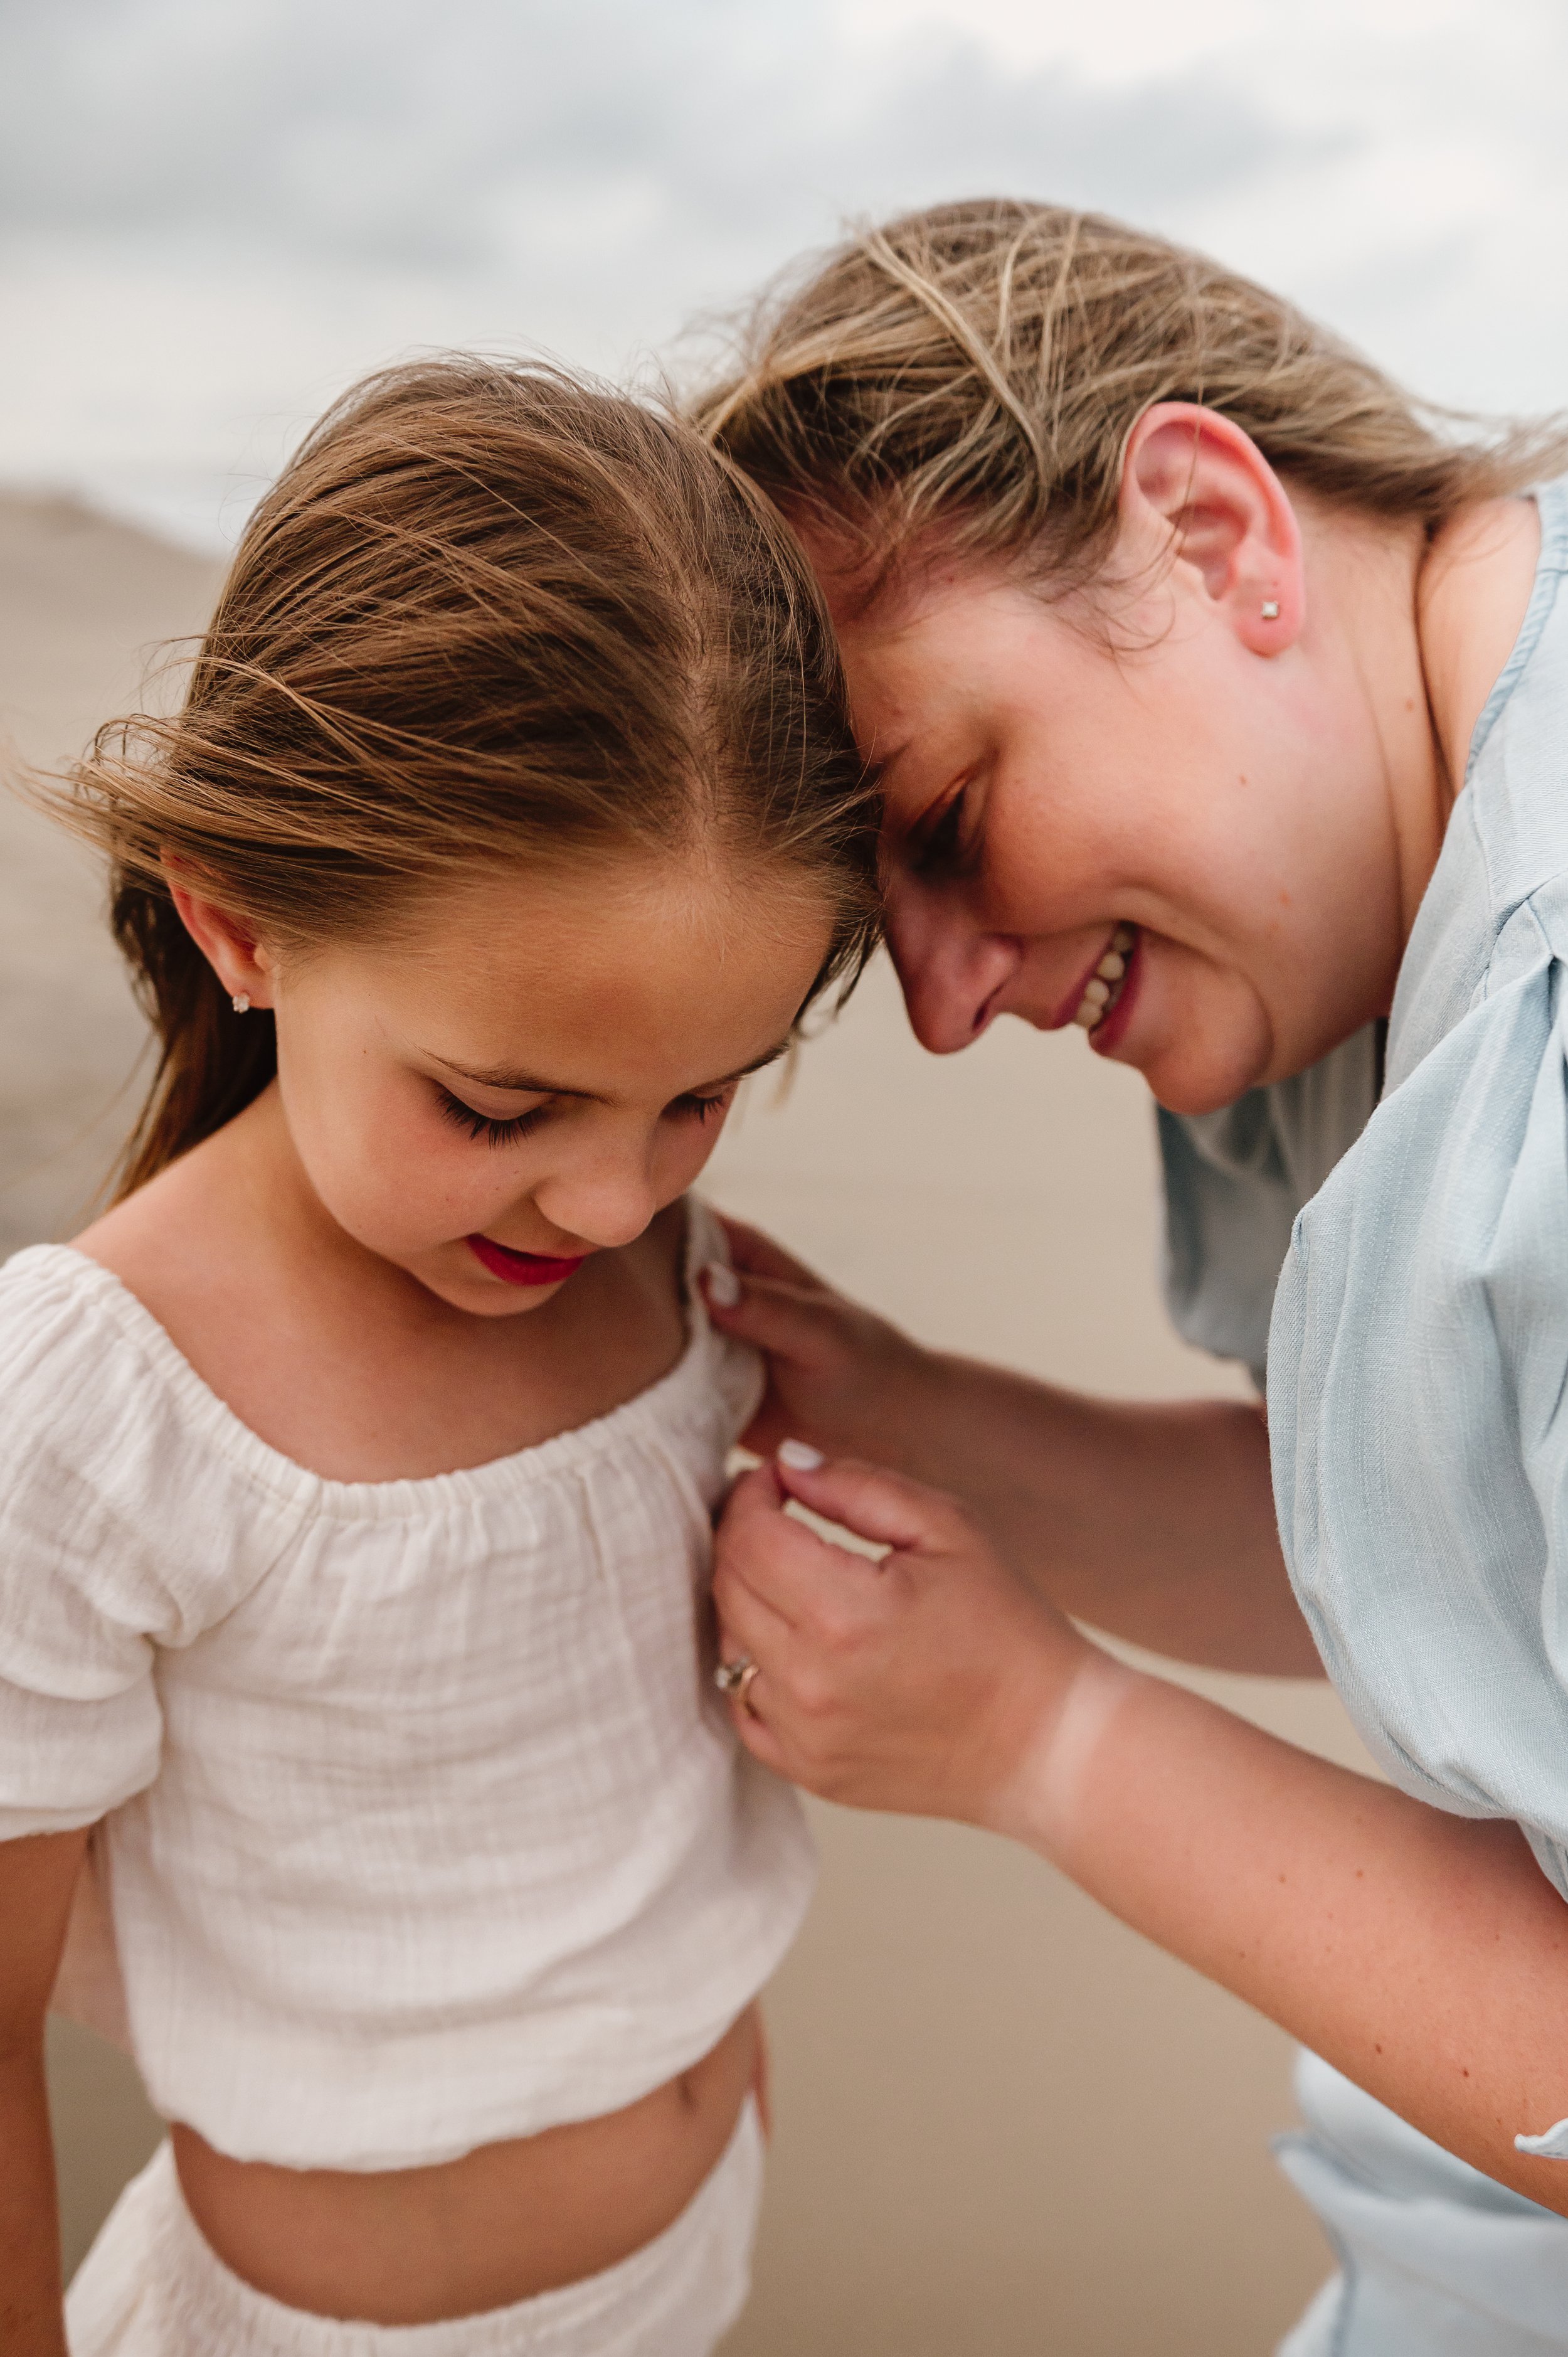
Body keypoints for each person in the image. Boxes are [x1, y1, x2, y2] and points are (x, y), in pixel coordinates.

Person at [693, 200, 1568, 2353]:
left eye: (949, 816)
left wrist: (1040, 1738)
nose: (940, 997)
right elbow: (1449, 1557)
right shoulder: (1363, 887)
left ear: (1203, 526)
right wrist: (894, 1408)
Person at [0, 357, 878, 2357]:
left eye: (699, 1100)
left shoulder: (663, 1264)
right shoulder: (93, 1405)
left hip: (686, 2273)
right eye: (501, 1108)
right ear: (242, 923)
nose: (605, 1203)